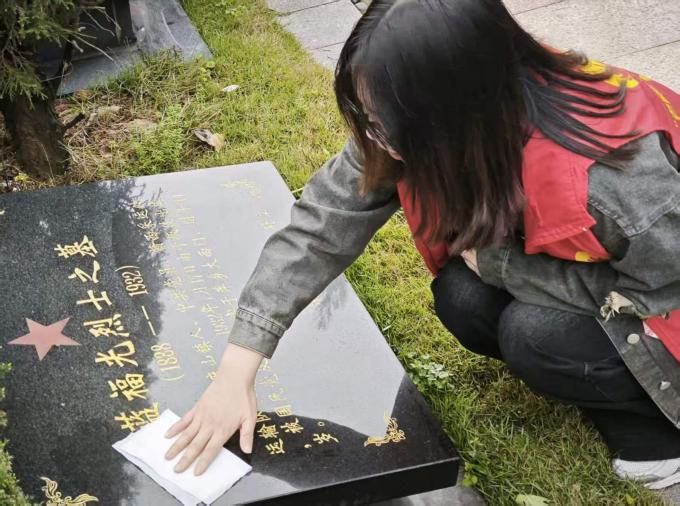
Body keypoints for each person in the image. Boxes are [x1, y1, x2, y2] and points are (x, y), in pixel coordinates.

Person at [164, 0, 680, 490]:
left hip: (665, 299)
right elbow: (320, 226)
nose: (372, 138)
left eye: (380, 124)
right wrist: (236, 369)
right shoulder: (422, 117)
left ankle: (657, 431)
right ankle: (596, 374)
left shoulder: (617, 178)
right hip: (593, 276)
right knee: (462, 295)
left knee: (534, 334)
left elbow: (665, 292)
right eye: (367, 117)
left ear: (456, 110)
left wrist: (504, 266)